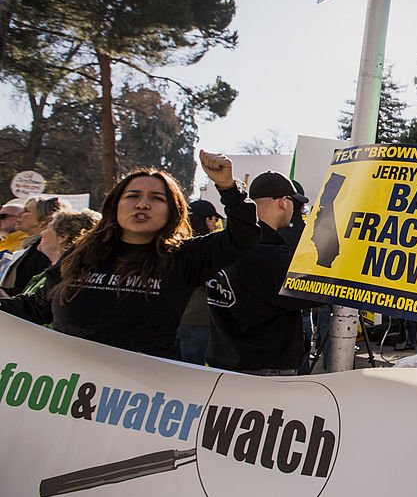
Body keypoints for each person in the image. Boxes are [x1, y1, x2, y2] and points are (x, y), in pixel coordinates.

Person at [0, 151, 260, 359]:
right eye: (132, 195)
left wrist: (228, 187)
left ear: (173, 211)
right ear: (115, 205)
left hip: (136, 407)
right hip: (66, 394)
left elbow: (242, 236)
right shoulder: (83, 252)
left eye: (157, 198)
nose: (142, 204)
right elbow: (40, 306)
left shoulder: (183, 257)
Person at [206, 171, 311, 374]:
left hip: (225, 362)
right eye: (293, 202)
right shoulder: (265, 250)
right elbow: (306, 296)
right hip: (262, 368)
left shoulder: (228, 241)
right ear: (283, 202)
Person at [175, 199, 223, 365]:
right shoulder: (206, 249)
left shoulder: (176, 245)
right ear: (206, 219)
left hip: (178, 319)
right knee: (193, 377)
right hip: (199, 321)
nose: (216, 224)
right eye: (214, 219)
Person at [17, 209, 101, 296]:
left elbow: (38, 307)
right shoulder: (51, 273)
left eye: (48, 228)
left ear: (63, 236)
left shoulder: (68, 278)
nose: (42, 233)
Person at [0, 196, 68, 295]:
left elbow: (35, 290)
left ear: (44, 219)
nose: (19, 215)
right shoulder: (31, 246)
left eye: (26, 211)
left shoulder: (46, 250)